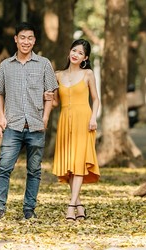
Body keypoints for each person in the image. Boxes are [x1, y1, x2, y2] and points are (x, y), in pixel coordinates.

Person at [0, 22, 58, 221]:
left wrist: (45, 118)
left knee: (34, 170)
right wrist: (1, 117)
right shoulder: (5, 66)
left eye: (30, 38)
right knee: (4, 168)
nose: (26, 42)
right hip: (13, 126)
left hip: (36, 125)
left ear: (34, 40)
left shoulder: (44, 64)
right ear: (16, 39)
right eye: (22, 38)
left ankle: (29, 209)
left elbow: (51, 94)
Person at [47, 39, 100, 221]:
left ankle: (71, 206)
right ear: (70, 51)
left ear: (85, 58)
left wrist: (94, 117)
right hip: (65, 121)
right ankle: (79, 204)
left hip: (84, 121)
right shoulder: (58, 75)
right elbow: (54, 103)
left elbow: (96, 99)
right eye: (74, 50)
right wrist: (45, 96)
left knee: (78, 163)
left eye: (80, 53)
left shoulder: (88, 74)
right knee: (69, 165)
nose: (75, 54)